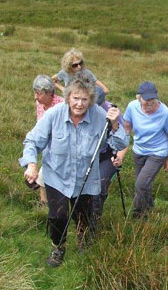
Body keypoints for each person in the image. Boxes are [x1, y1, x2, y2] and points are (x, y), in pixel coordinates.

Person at [20, 75, 128, 267]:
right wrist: (31, 165)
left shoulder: (100, 116)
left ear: (91, 100)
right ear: (68, 97)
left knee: (84, 218)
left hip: (85, 181)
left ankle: (83, 242)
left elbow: (119, 143)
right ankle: (58, 247)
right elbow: (32, 141)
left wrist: (115, 125)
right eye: (75, 98)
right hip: (57, 176)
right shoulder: (54, 115)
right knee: (58, 216)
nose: (79, 104)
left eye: (84, 99)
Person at [124, 81, 168, 219]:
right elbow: (127, 126)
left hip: (157, 153)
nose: (150, 102)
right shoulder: (132, 107)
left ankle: (138, 215)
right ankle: (149, 208)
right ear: (139, 98)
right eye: (147, 99)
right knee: (143, 185)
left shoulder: (164, 112)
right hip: (139, 151)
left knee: (141, 184)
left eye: (153, 99)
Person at [93, 100, 129, 222]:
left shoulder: (112, 112)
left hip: (107, 156)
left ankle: (94, 220)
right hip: (86, 159)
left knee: (99, 186)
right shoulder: (78, 110)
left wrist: (120, 157)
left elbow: (124, 140)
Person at [32, 74, 64, 205]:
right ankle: (44, 202)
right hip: (46, 146)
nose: (36, 97)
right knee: (45, 171)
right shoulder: (39, 104)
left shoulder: (62, 105)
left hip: (60, 147)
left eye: (39, 94)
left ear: (50, 93)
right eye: (35, 93)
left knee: (46, 173)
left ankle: (47, 202)